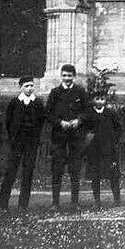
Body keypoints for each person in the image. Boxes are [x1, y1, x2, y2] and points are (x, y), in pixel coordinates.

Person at [0, 75, 46, 211]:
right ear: (20, 87)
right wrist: (13, 137)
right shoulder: (14, 102)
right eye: (26, 86)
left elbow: (40, 121)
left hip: (31, 142)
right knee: (10, 171)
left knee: (28, 171)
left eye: (31, 85)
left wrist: (35, 137)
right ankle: (2, 204)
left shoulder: (37, 103)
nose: (30, 88)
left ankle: (23, 204)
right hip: (17, 142)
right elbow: (8, 122)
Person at [47, 63, 88, 207]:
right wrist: (60, 123)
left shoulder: (80, 92)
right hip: (59, 136)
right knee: (57, 168)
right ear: (61, 76)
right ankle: (55, 202)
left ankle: (75, 202)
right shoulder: (55, 93)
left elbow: (87, 111)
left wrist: (79, 120)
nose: (67, 78)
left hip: (76, 137)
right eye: (64, 75)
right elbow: (49, 114)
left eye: (70, 76)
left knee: (75, 168)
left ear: (74, 76)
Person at [82, 91, 123, 208]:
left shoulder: (111, 113)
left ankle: (117, 199)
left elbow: (118, 128)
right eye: (97, 98)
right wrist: (88, 138)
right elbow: (84, 130)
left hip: (109, 149)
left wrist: (114, 140)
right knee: (95, 175)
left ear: (105, 100)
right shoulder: (88, 115)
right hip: (94, 150)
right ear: (93, 100)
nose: (100, 101)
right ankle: (97, 200)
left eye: (102, 99)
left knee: (113, 175)